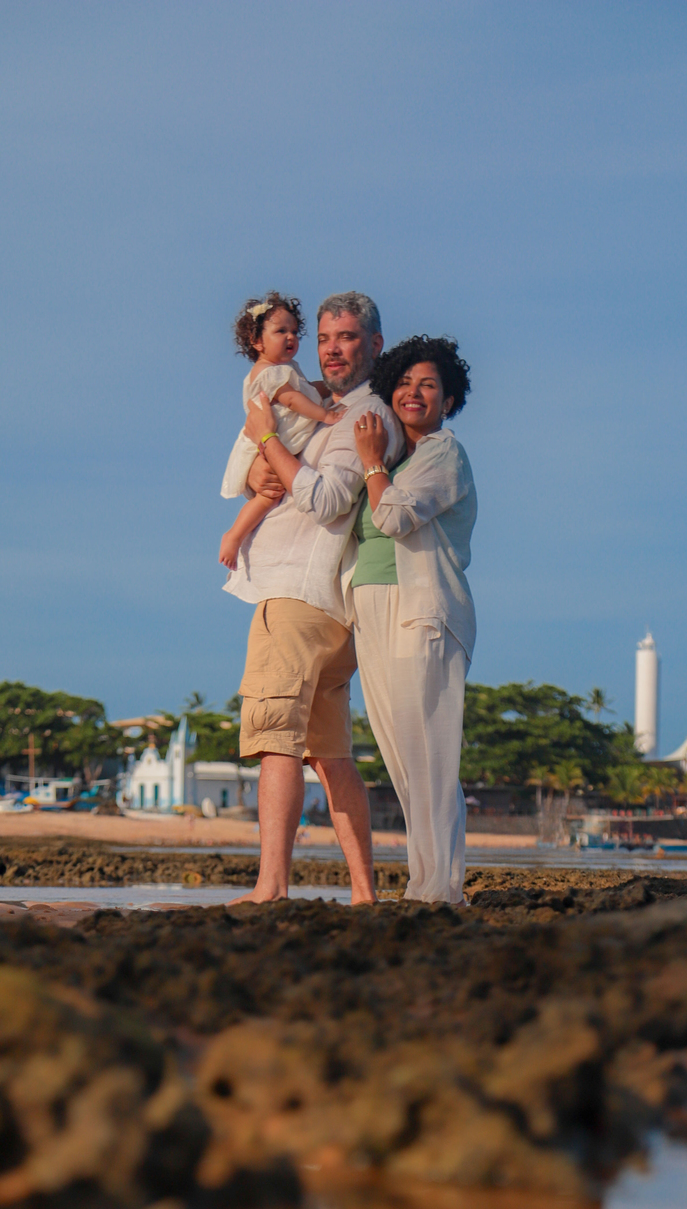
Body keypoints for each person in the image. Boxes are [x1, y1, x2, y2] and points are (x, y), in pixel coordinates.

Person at [225, 291, 404, 904]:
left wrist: (267, 440)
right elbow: (268, 472)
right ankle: (364, 894)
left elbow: (326, 500)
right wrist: (260, 463)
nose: (330, 349)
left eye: (346, 338)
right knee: (329, 755)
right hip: (329, 607)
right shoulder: (326, 405)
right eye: (325, 338)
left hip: (298, 593)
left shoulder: (364, 416)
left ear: (374, 345)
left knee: (276, 736)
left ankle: (271, 887)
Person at [348, 336, 476, 904]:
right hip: (371, 610)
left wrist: (373, 462)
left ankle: (442, 886)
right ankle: (423, 881)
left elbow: (396, 516)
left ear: (448, 400)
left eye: (428, 385)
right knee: (401, 754)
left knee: (430, 750)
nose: (413, 393)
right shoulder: (399, 456)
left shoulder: (443, 455)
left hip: (421, 609)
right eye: (403, 383)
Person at [219, 293, 344, 571]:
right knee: (268, 495)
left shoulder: (284, 369)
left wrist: (329, 387)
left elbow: (307, 390)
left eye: (294, 331)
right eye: (280, 331)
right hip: (277, 439)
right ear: (257, 341)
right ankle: (235, 535)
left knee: (272, 492)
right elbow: (293, 400)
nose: (290, 337)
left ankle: (237, 534)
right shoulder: (270, 374)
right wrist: (325, 413)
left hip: (282, 439)